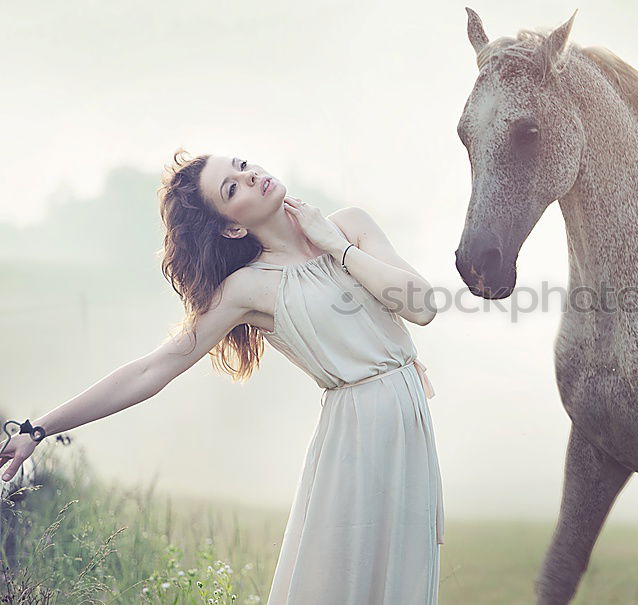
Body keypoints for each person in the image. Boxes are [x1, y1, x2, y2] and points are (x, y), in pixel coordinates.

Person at [0, 149, 444, 604]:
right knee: (344, 580)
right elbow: (152, 369)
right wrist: (39, 428)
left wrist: (336, 246)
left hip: (407, 422)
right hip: (355, 436)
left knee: (404, 579)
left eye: (244, 165)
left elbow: (422, 306)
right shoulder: (248, 288)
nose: (251, 177)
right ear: (233, 226)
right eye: (232, 188)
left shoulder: (349, 224)